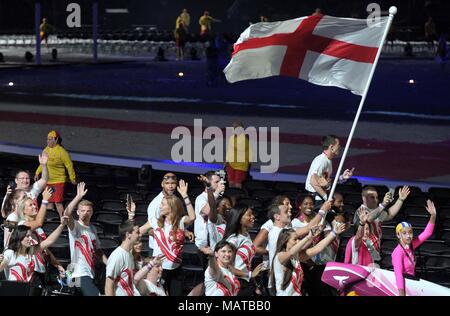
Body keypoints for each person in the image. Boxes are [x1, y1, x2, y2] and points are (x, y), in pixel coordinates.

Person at [270, 223, 346, 296]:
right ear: (285, 242)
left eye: (298, 239)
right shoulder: (280, 256)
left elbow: (317, 248)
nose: (298, 241)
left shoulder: (297, 256)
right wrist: (309, 237)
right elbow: (291, 252)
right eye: (295, 239)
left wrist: (334, 233)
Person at [151, 179, 196, 296]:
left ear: (171, 207)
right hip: (160, 268)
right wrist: (131, 215)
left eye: (163, 204)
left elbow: (192, 217)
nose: (160, 206)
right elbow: (138, 231)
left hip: (176, 268)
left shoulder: (180, 221)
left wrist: (185, 195)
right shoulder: (156, 222)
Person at [63, 182, 108, 296]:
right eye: (82, 211)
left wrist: (109, 264)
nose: (85, 213)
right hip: (78, 273)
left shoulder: (93, 229)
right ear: (77, 212)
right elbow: (66, 213)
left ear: (92, 212)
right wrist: (78, 197)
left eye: (88, 211)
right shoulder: (75, 226)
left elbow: (97, 251)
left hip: (88, 272)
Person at [0, 216, 67, 283]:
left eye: (30, 236)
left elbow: (49, 241)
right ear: (20, 237)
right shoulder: (10, 253)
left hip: (27, 290)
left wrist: (62, 225)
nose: (31, 239)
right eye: (27, 236)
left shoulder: (30, 251)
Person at [392, 200, 436, 296]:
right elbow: (398, 274)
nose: (408, 236)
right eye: (404, 233)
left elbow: (427, 233)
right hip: (402, 289)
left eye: (410, 232)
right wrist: (402, 294)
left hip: (411, 285)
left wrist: (433, 216)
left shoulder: (411, 245)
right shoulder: (398, 252)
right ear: (398, 235)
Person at [223, 204, 264, 296]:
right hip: (236, 284)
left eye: (252, 214)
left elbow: (246, 265)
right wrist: (250, 275)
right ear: (239, 219)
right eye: (249, 215)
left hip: (245, 283)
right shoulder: (233, 240)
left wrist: (254, 284)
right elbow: (227, 267)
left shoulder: (246, 235)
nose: (253, 216)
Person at [35, 130, 77, 217]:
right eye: (47, 139)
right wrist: (37, 172)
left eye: (50, 139)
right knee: (48, 202)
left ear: (56, 139)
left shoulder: (62, 152)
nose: (48, 141)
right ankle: (49, 220)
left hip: (58, 181)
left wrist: (72, 178)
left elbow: (69, 166)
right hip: (47, 181)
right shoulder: (46, 150)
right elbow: (42, 163)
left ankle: (63, 220)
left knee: (58, 202)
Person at [305, 135, 353, 207]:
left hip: (319, 197)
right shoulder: (321, 161)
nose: (340, 147)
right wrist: (326, 197)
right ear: (331, 147)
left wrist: (342, 177)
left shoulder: (328, 160)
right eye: (338, 145)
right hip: (316, 199)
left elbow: (325, 181)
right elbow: (313, 181)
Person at [194, 171, 225, 270]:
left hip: (215, 242)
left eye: (220, 181)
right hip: (204, 245)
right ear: (208, 184)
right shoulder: (200, 198)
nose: (220, 184)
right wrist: (215, 193)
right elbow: (208, 211)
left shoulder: (219, 199)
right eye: (216, 182)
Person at [105, 220, 141, 296]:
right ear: (128, 234)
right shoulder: (117, 255)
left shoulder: (129, 254)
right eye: (137, 232)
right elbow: (109, 285)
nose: (140, 235)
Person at [146, 173, 178, 251]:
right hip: (157, 249)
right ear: (162, 184)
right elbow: (150, 229)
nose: (170, 186)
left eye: (173, 183)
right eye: (167, 183)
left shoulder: (174, 200)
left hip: (170, 247)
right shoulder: (156, 203)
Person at [225, 121, 252, 188]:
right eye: (233, 127)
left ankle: (238, 198)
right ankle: (232, 198)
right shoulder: (232, 138)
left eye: (236, 127)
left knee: (237, 184)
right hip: (231, 164)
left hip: (241, 166)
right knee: (231, 183)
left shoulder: (244, 139)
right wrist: (226, 161)